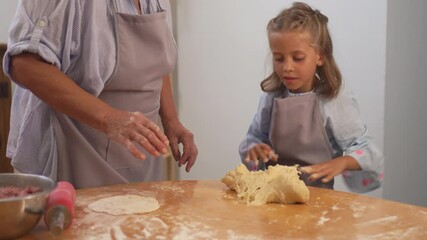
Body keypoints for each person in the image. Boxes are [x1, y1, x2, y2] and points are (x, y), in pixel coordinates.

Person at [3, 0, 198, 188]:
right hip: (76, 154)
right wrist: (109, 119)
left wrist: (171, 119)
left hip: (142, 159)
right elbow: (24, 65)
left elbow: (156, 60)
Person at [238, 2, 383, 193]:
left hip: (320, 200)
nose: (287, 67)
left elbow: (367, 149)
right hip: (274, 195)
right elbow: (254, 139)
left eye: (297, 58)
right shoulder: (271, 97)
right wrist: (255, 148)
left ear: (320, 56)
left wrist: (342, 162)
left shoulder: (332, 99)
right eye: (279, 58)